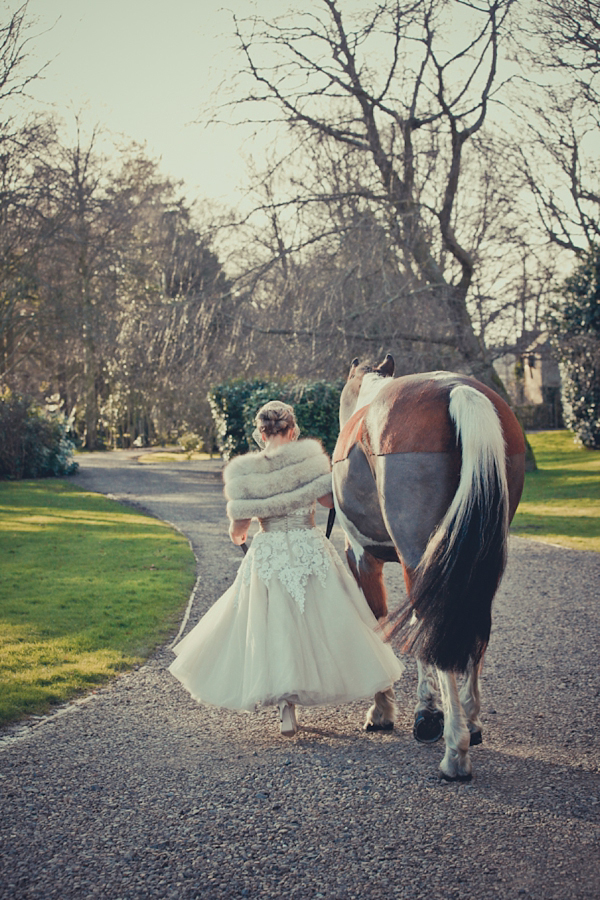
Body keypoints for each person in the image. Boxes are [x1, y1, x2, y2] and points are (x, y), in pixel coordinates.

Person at [169, 400, 404, 737]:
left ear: (259, 432)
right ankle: (383, 695)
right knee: (345, 618)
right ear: (293, 430)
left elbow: (239, 530)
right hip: (309, 547)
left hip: (270, 552)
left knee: (276, 623)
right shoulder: (310, 460)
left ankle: (286, 710)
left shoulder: (244, 472)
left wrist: (239, 534)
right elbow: (329, 501)